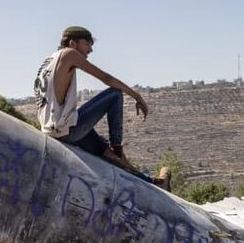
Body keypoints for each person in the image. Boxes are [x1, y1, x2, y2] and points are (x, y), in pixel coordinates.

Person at [34, 26, 168, 188]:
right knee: (115, 94)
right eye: (87, 44)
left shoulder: (47, 63)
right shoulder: (69, 54)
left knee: (107, 154)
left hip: (54, 131)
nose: (90, 50)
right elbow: (106, 78)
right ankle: (117, 146)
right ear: (73, 43)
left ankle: (153, 183)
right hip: (66, 129)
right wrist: (137, 96)